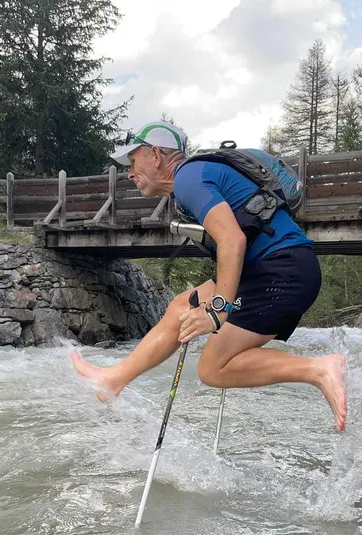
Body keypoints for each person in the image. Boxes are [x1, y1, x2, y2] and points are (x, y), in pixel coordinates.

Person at [71, 121, 347, 431]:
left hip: (282, 272)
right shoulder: (193, 179)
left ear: (157, 155)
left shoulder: (188, 178)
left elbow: (233, 240)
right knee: (181, 307)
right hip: (271, 268)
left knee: (212, 368)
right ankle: (113, 380)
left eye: (134, 162)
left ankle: (319, 369)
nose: (130, 173)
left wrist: (218, 310)